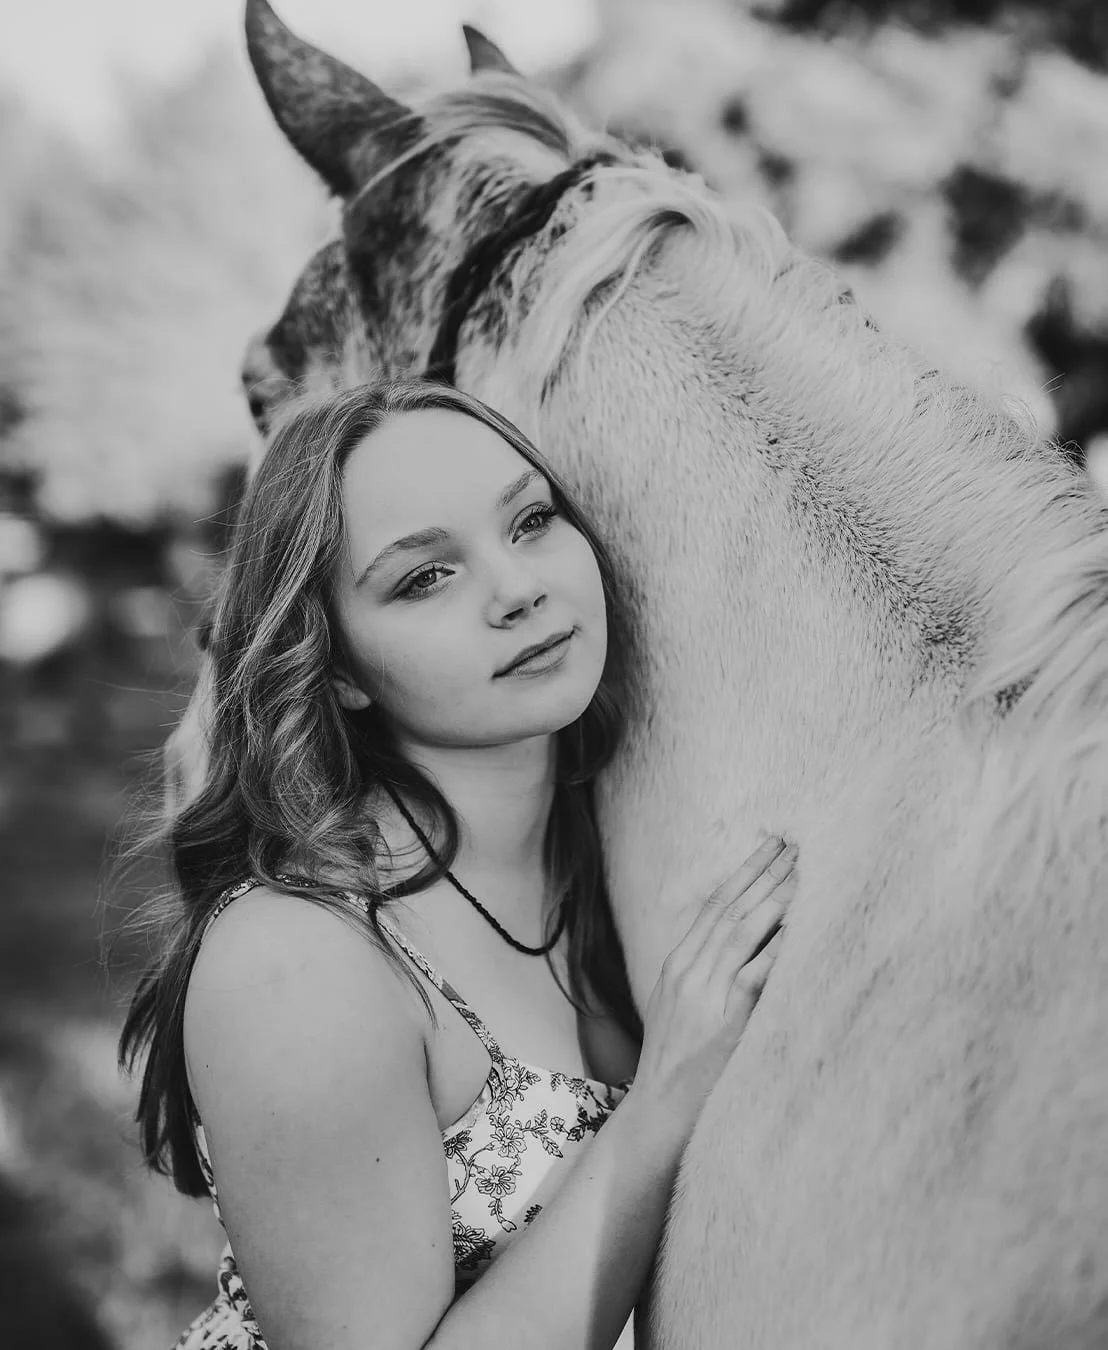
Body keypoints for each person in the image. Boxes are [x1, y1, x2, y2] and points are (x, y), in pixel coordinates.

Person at [118, 378, 798, 1350]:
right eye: (423, 577)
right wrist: (661, 1105)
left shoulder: (625, 848)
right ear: (339, 667)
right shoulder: (303, 960)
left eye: (530, 520)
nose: (518, 589)